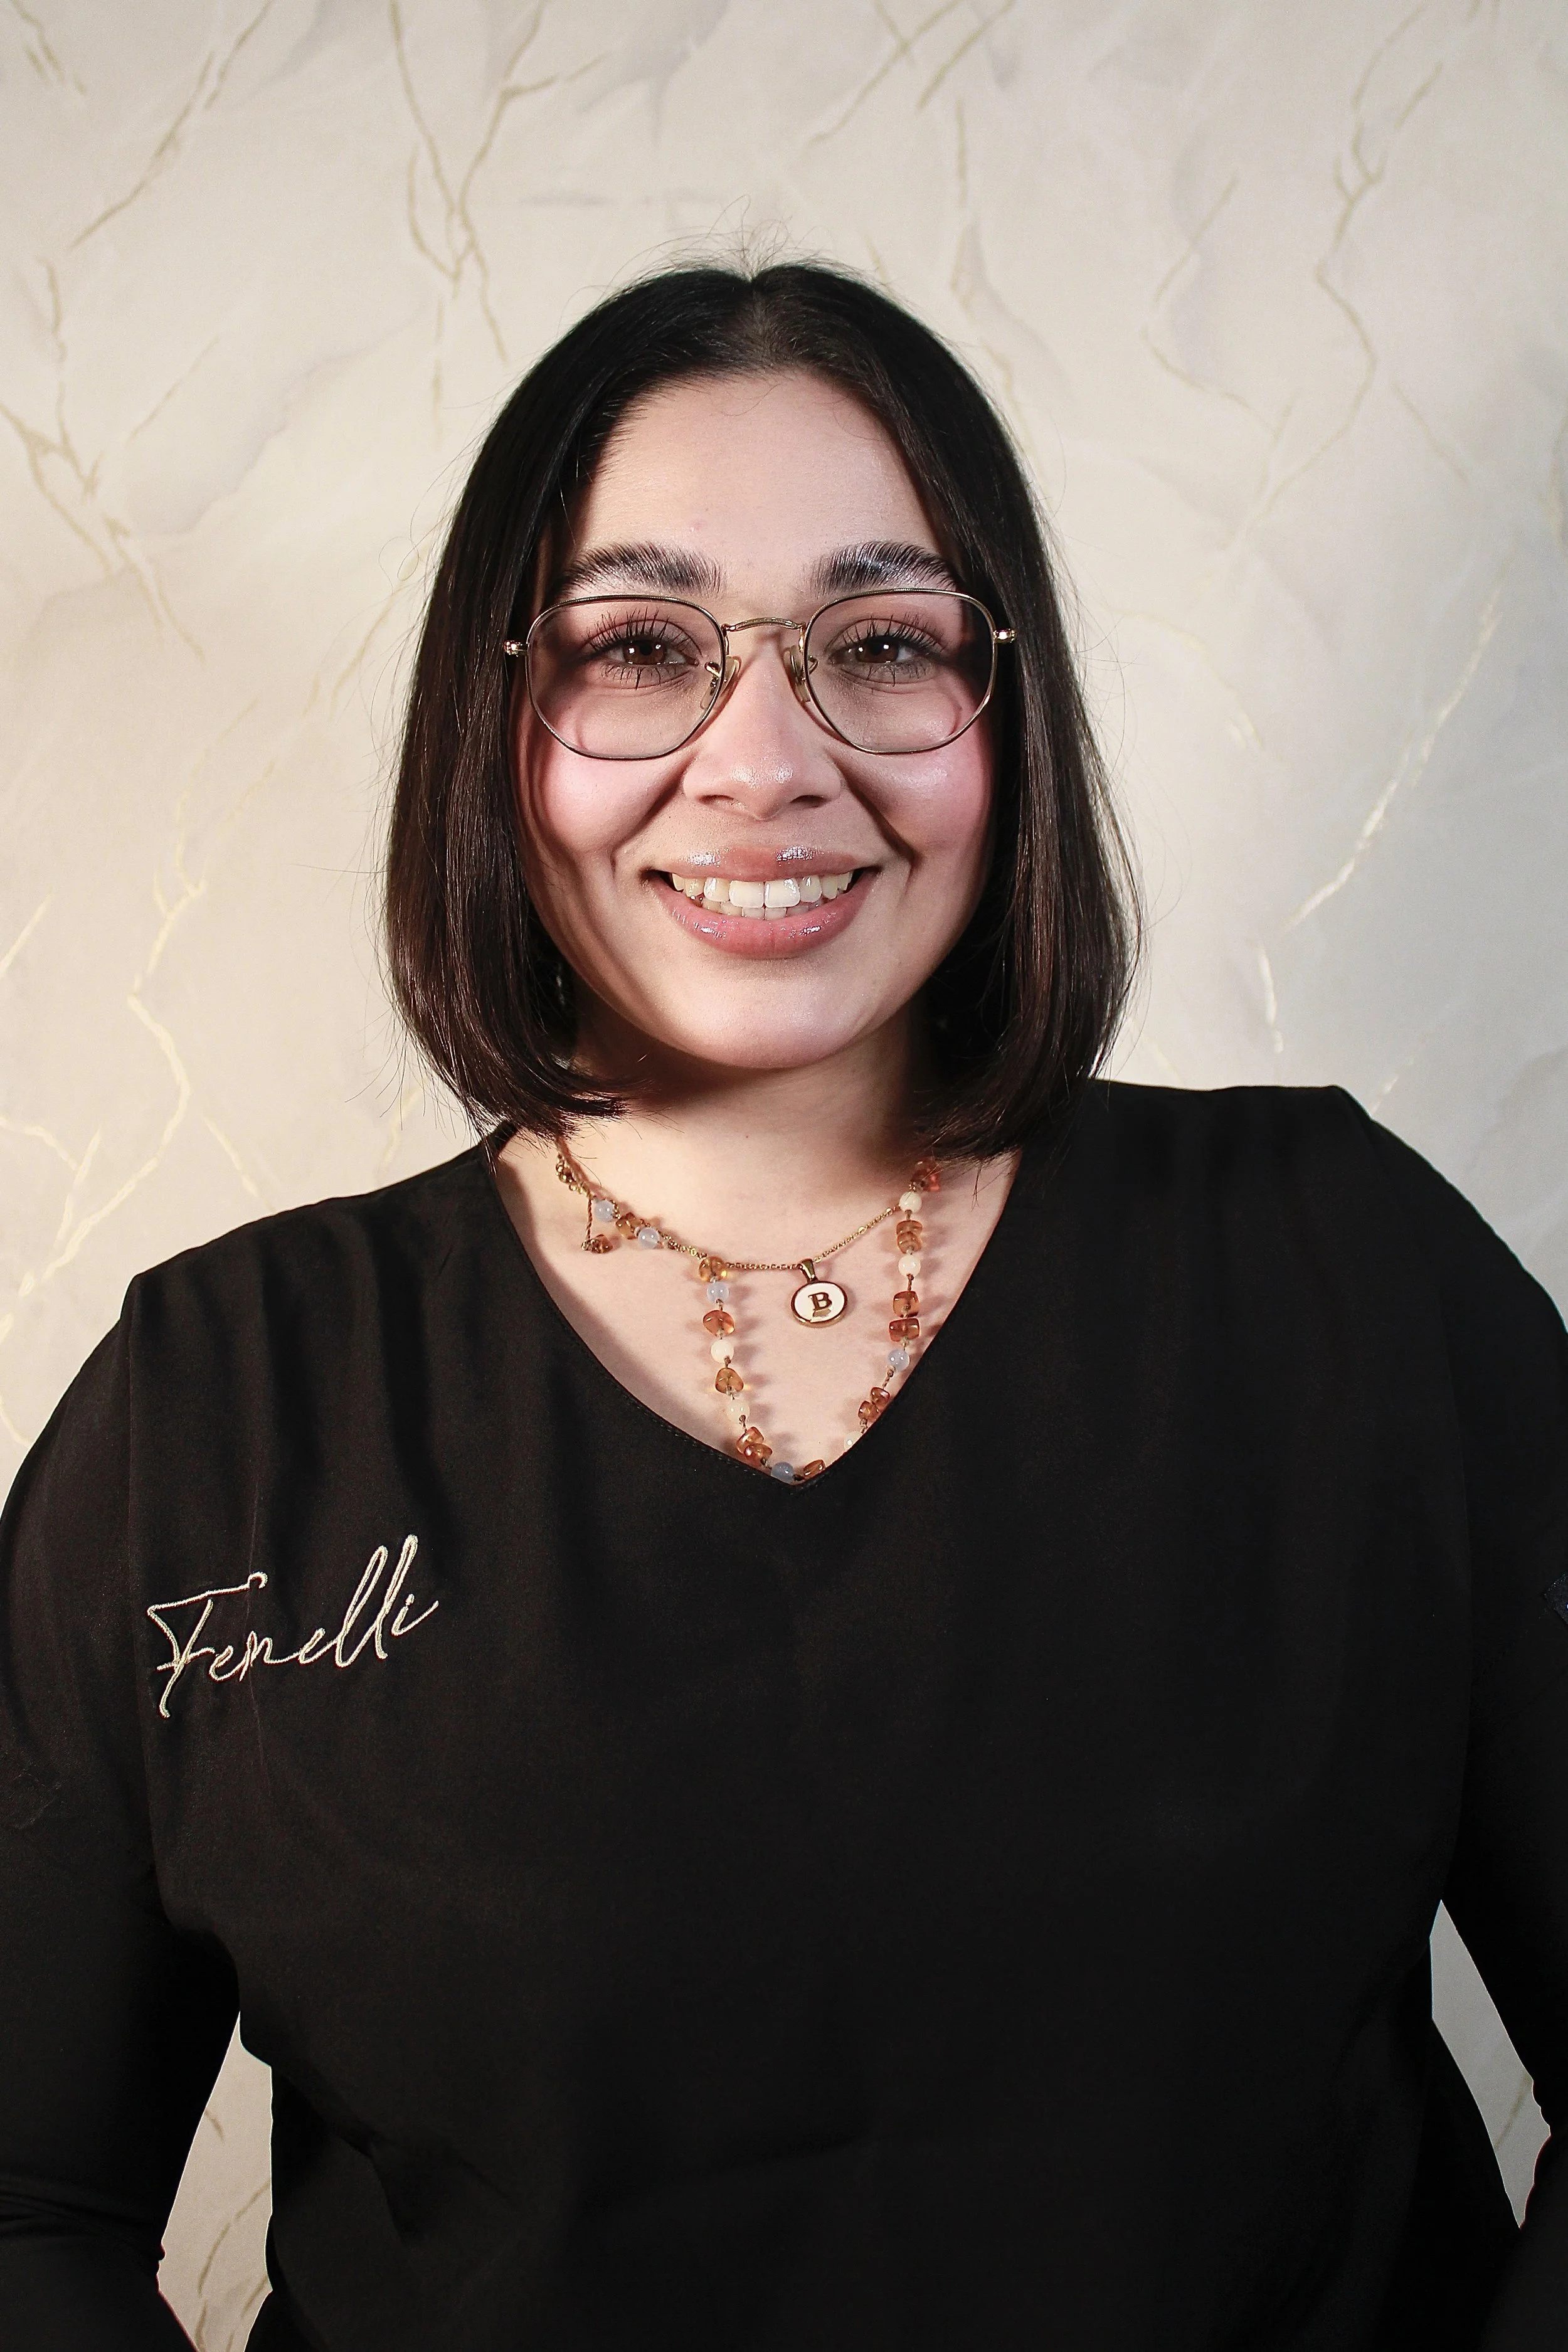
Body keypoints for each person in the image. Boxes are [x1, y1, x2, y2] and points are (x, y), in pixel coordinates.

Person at [0, 259, 1562, 2352]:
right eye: (639, 646)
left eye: (881, 643)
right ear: (499, 723)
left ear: (1001, 718)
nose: (764, 762)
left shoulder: (1347, 1274)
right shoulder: (212, 1412)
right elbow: (27, 2211)